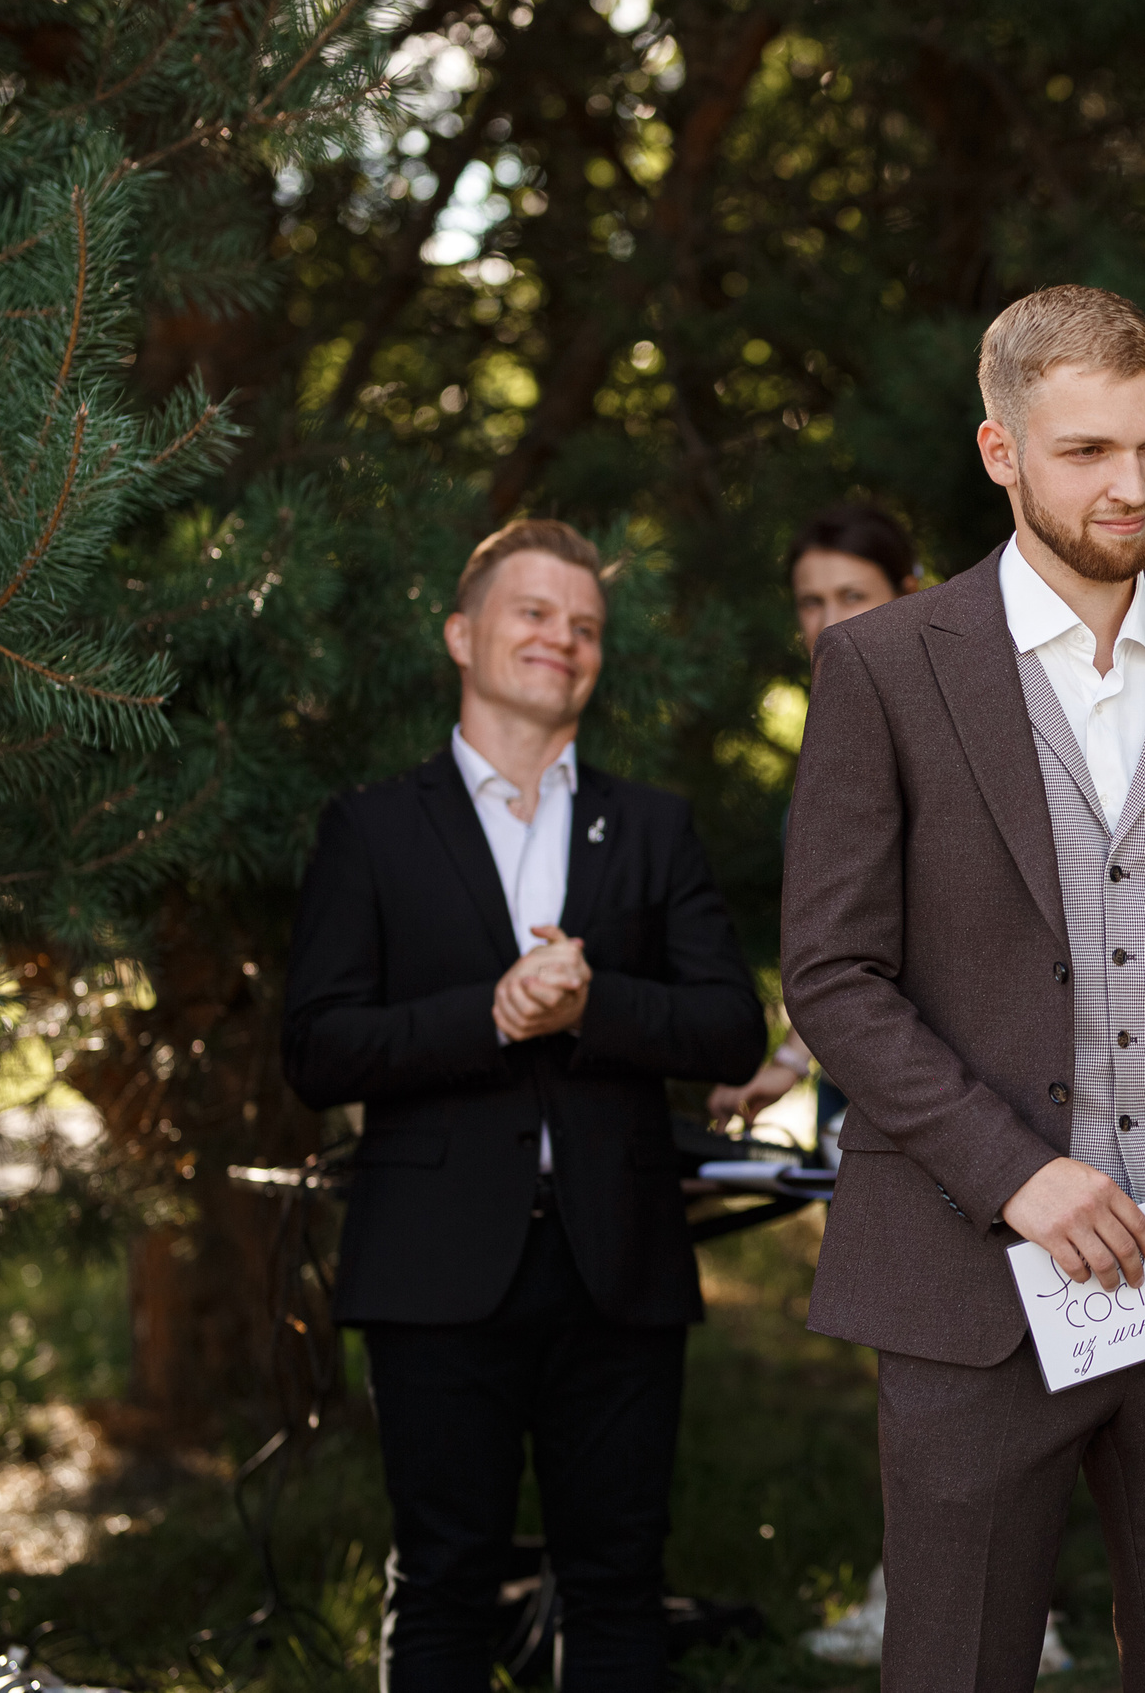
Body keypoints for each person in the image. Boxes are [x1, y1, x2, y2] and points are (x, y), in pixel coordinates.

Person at [781, 284, 1145, 1693]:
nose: (1133, 485)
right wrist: (1017, 1173)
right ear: (1001, 453)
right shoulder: (884, 668)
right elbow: (833, 975)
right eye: (1089, 452)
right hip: (970, 1282)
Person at [283, 519, 766, 1692]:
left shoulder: (651, 826)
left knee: (617, 1580)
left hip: (622, 1260)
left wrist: (594, 1006)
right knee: (443, 1577)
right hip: (434, 1267)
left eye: (586, 625)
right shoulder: (372, 827)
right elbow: (318, 1047)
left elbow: (728, 1028)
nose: (564, 638)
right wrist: (491, 1017)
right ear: (463, 634)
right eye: (535, 614)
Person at [708, 502, 923, 1135]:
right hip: (851, 1087)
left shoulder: (944, 733)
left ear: (908, 595)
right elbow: (838, 942)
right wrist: (790, 1059)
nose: (829, 623)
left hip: (949, 1090)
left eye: (852, 595)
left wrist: (788, 1059)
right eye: (811, 602)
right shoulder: (831, 742)